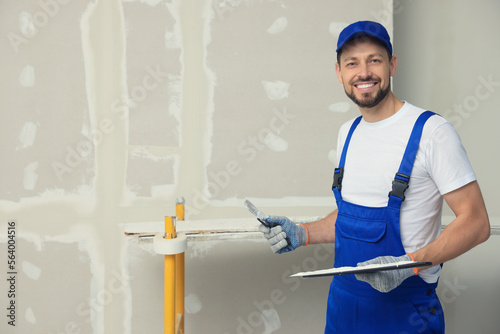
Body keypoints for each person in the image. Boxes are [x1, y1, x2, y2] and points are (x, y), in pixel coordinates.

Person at [258, 21, 490, 333]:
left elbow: (476, 223)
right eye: (352, 63)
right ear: (339, 73)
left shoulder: (432, 132)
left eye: (374, 60)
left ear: (392, 65)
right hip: (342, 308)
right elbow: (353, 217)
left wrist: (408, 265)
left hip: (405, 313)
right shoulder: (348, 133)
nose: (363, 72)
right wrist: (302, 233)